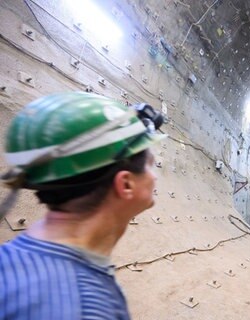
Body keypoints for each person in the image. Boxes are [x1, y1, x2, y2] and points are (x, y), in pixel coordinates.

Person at [0, 92, 166, 320]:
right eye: (150, 165)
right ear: (126, 184)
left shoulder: (13, 259)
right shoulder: (86, 307)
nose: (154, 177)